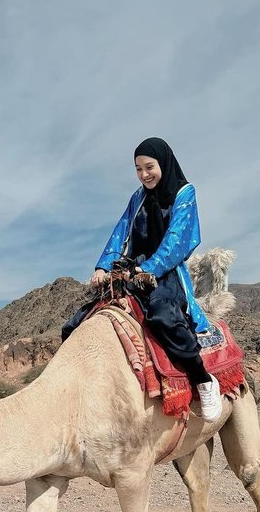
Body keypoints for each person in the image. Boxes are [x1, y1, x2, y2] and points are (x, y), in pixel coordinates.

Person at [90, 137, 222, 423]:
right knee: (80, 320)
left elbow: (177, 240)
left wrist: (149, 268)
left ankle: (204, 380)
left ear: (163, 163)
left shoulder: (184, 193)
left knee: (163, 316)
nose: (144, 174)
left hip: (165, 271)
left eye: (149, 167)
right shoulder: (137, 198)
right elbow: (121, 231)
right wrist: (103, 266)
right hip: (132, 270)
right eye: (138, 169)